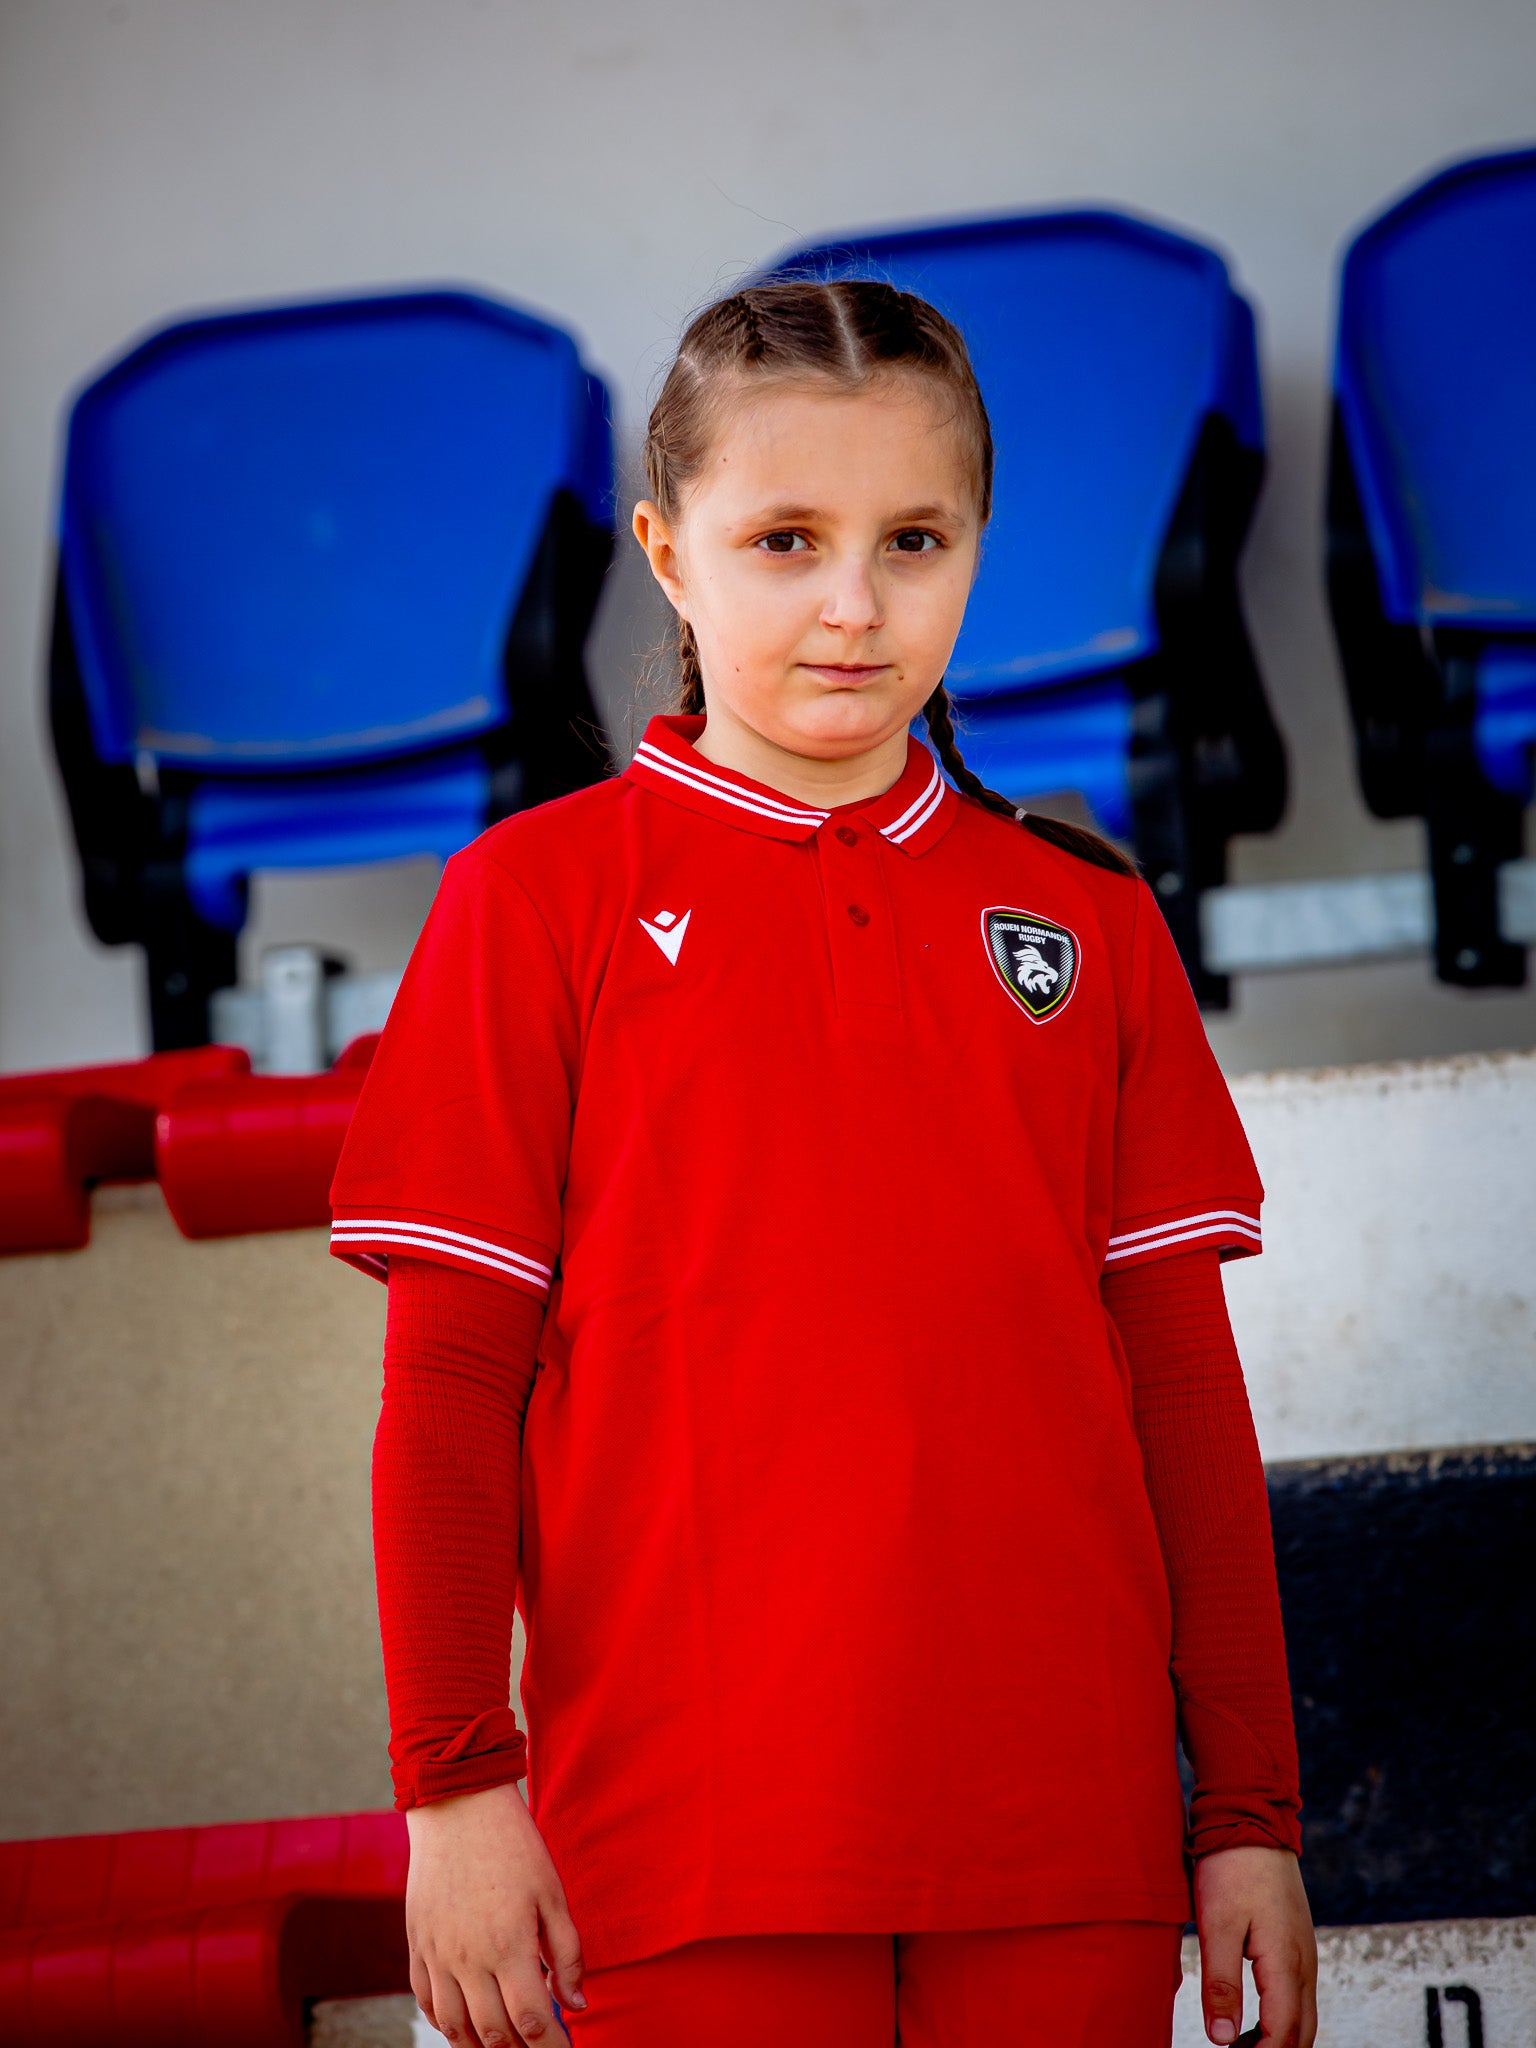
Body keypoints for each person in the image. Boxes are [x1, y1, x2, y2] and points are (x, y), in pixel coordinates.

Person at [329, 279, 1318, 2048]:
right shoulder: (530, 905)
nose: (855, 605)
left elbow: (1181, 1392)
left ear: (977, 550)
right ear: (668, 553)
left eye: (914, 541)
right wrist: (457, 1789)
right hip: (690, 1846)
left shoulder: (1087, 920)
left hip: (1066, 1836)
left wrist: (1248, 1811)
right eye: (785, 540)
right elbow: (452, 1392)